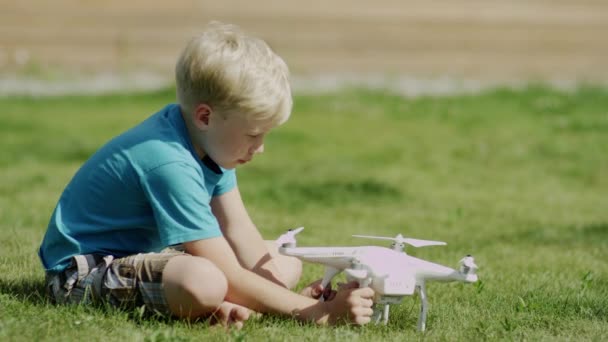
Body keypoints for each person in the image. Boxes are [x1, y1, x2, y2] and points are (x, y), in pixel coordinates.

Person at [38, 22, 374, 329]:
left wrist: (289, 299)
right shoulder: (168, 161)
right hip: (83, 272)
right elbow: (226, 270)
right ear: (205, 116)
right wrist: (313, 312)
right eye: (254, 135)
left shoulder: (206, 142)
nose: (260, 148)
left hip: (143, 262)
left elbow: (240, 233)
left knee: (279, 259)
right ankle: (228, 303)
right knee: (206, 280)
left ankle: (237, 306)